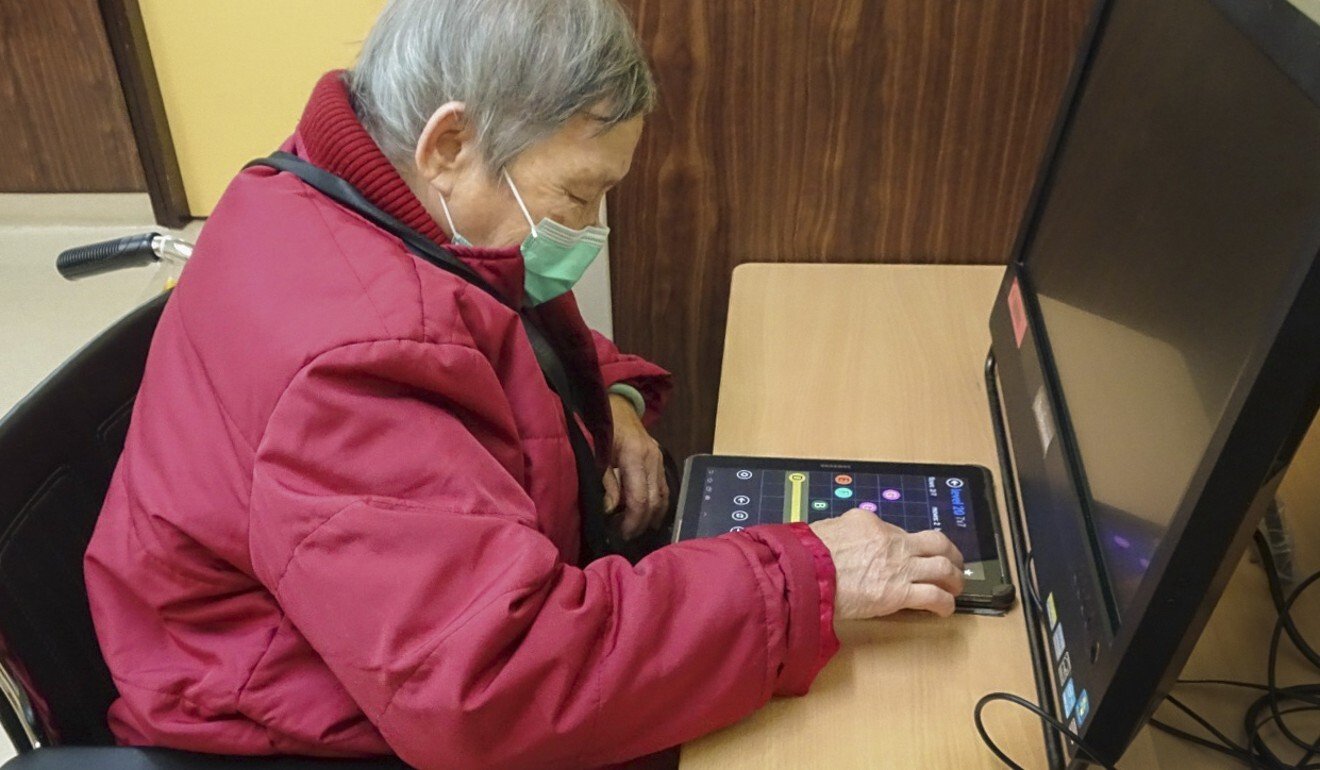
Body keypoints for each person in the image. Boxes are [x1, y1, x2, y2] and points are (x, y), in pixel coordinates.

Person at [84, 0, 966, 767]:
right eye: (579, 196)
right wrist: (807, 576)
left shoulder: (346, 186)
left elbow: (490, 321)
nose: (586, 230)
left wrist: (611, 399)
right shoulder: (350, 367)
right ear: (451, 142)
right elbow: (496, 689)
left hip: (387, 649)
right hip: (314, 729)